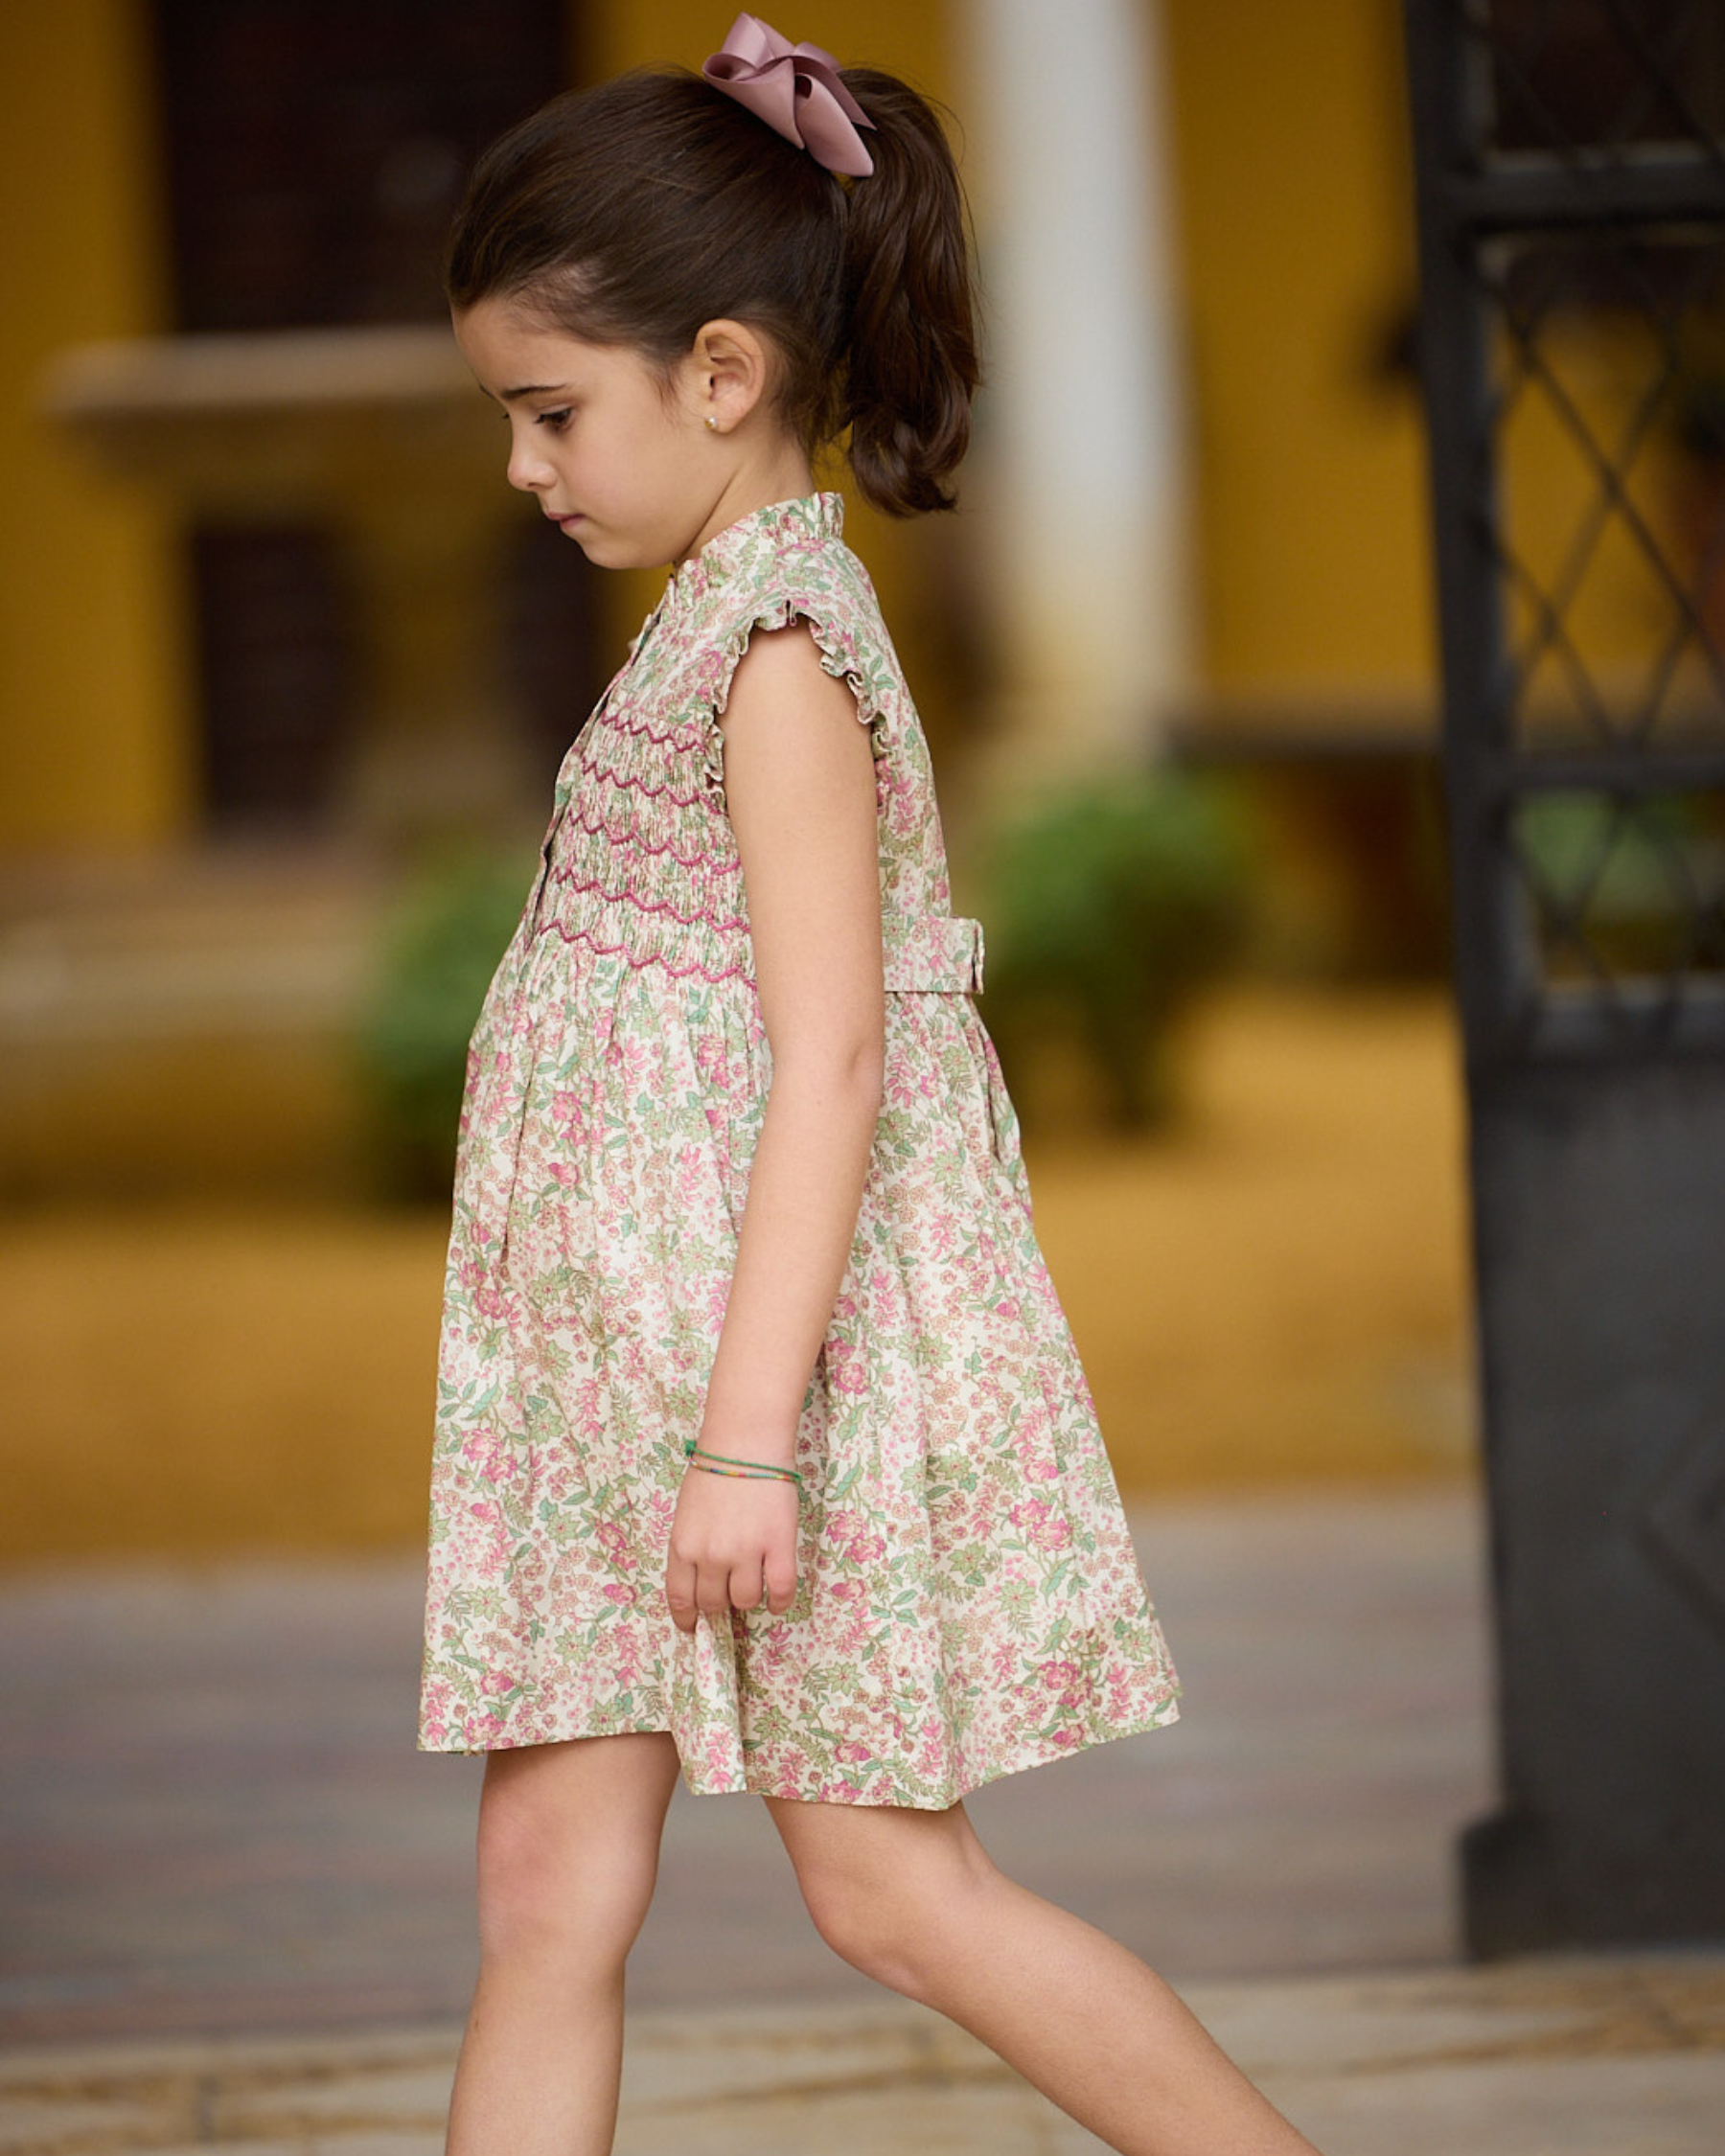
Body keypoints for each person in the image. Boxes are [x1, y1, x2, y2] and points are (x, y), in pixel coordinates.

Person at [417, 14, 1322, 2153]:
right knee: (550, 1883)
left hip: (757, 1384)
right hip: (604, 1374)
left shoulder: (779, 649)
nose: (525, 466)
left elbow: (834, 1055)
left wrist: (745, 1444)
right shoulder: (705, 620)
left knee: (895, 1893)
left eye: (551, 411)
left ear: (720, 374)